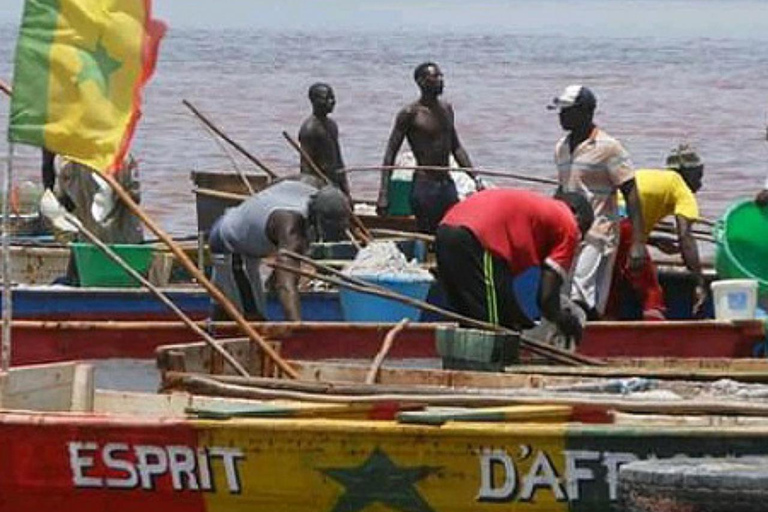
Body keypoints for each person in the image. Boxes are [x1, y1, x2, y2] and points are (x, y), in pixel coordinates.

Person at [435, 188, 594, 344]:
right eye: (583, 229)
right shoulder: (568, 224)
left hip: (446, 229)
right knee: (492, 331)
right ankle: (490, 368)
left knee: (472, 319)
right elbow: (546, 299)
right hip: (477, 238)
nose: (580, 239)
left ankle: (464, 367)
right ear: (575, 213)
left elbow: (504, 292)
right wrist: (565, 321)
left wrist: (519, 319)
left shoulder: (535, 215)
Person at [550, 84, 647, 319]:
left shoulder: (609, 148)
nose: (561, 116)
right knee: (562, 292)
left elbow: (631, 193)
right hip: (570, 232)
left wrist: (637, 242)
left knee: (580, 292)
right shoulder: (561, 148)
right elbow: (564, 190)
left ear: (585, 112)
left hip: (599, 233)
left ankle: (583, 338)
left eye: (567, 110)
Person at [208, 176, 351, 322]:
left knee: (230, 304)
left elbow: (273, 185)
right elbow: (286, 285)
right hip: (230, 244)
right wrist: (297, 327)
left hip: (242, 228)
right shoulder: (290, 227)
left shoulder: (311, 184)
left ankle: (215, 324)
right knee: (254, 317)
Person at [606, 144, 707, 320]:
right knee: (651, 291)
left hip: (604, 224)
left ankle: (604, 329)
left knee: (612, 287)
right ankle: (655, 333)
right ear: (686, 174)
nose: (700, 184)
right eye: (698, 176)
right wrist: (699, 282)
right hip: (624, 227)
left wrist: (651, 241)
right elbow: (685, 236)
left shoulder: (650, 176)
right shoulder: (680, 186)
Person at [377, 62, 479, 234]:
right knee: (427, 234)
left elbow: (456, 147)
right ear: (421, 82)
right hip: (425, 185)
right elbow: (390, 154)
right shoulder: (410, 114)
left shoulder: (446, 109)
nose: (441, 80)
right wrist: (384, 193)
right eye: (435, 77)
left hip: (446, 183)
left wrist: (475, 178)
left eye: (441, 76)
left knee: (452, 230)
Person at [298, 83, 351, 196]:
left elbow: (338, 159)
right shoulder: (309, 129)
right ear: (314, 101)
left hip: (334, 182)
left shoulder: (332, 125)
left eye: (333, 97)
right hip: (319, 185)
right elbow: (305, 167)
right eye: (327, 98)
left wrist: (345, 188)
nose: (331, 101)